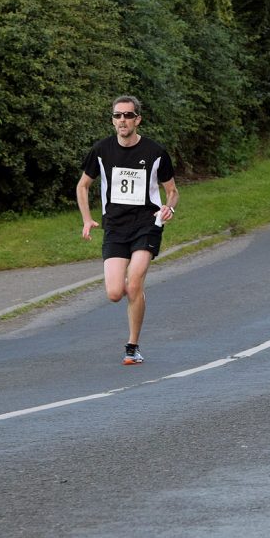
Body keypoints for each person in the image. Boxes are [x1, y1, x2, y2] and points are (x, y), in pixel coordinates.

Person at [77, 95, 178, 363]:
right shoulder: (101, 150)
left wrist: (169, 208)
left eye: (128, 115)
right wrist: (87, 219)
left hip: (147, 223)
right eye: (118, 115)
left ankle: (132, 347)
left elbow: (172, 191)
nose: (123, 120)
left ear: (137, 119)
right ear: (113, 120)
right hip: (115, 226)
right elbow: (82, 186)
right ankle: (135, 291)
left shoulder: (155, 152)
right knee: (114, 293)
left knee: (133, 285)